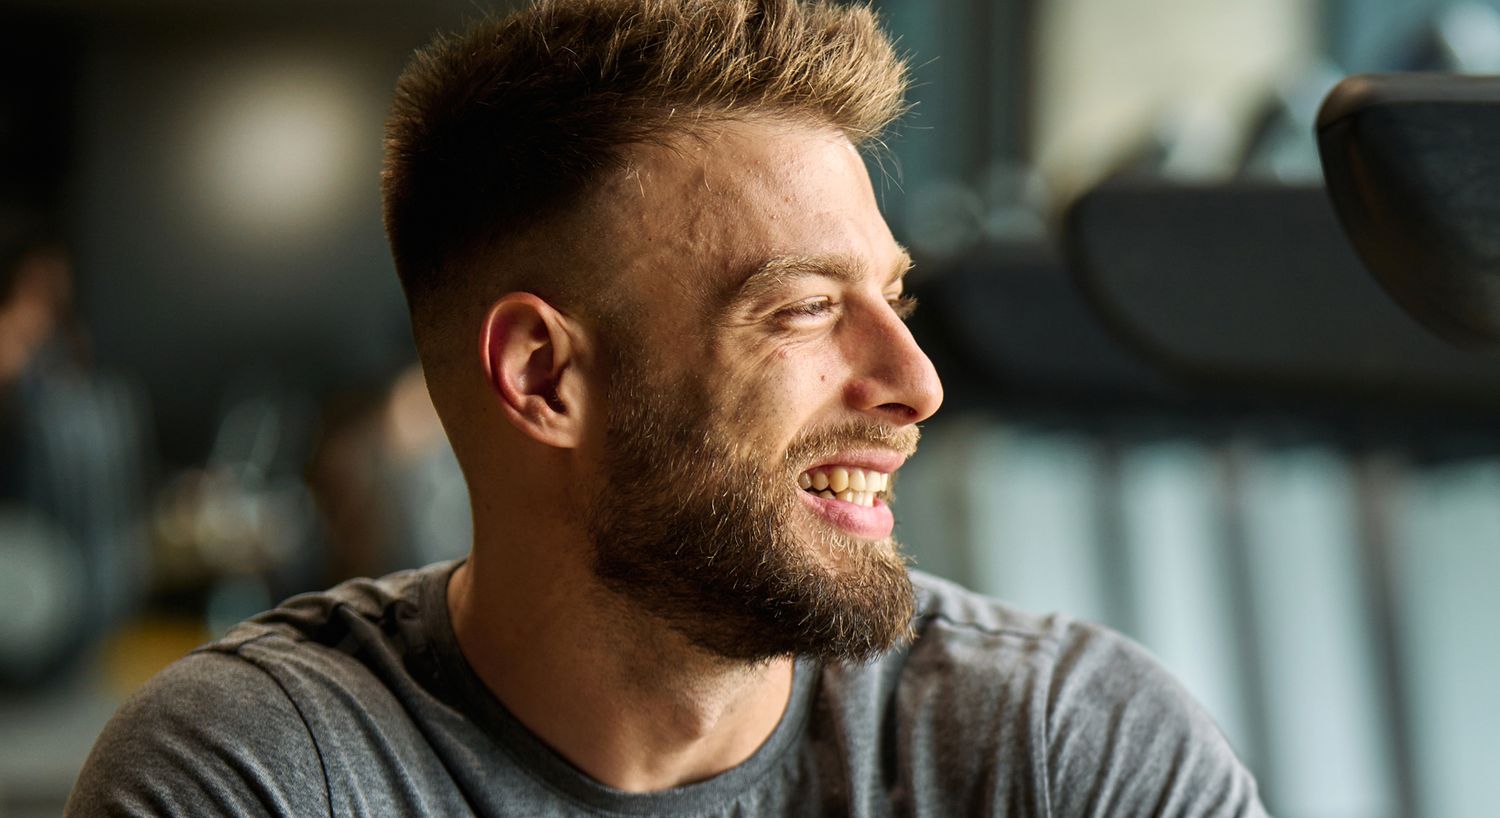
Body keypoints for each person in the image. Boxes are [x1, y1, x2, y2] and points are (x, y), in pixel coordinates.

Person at [68, 1, 1269, 814]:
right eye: (802, 309)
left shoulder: (1060, 751)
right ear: (543, 377)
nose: (915, 382)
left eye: (892, 296)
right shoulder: (266, 774)